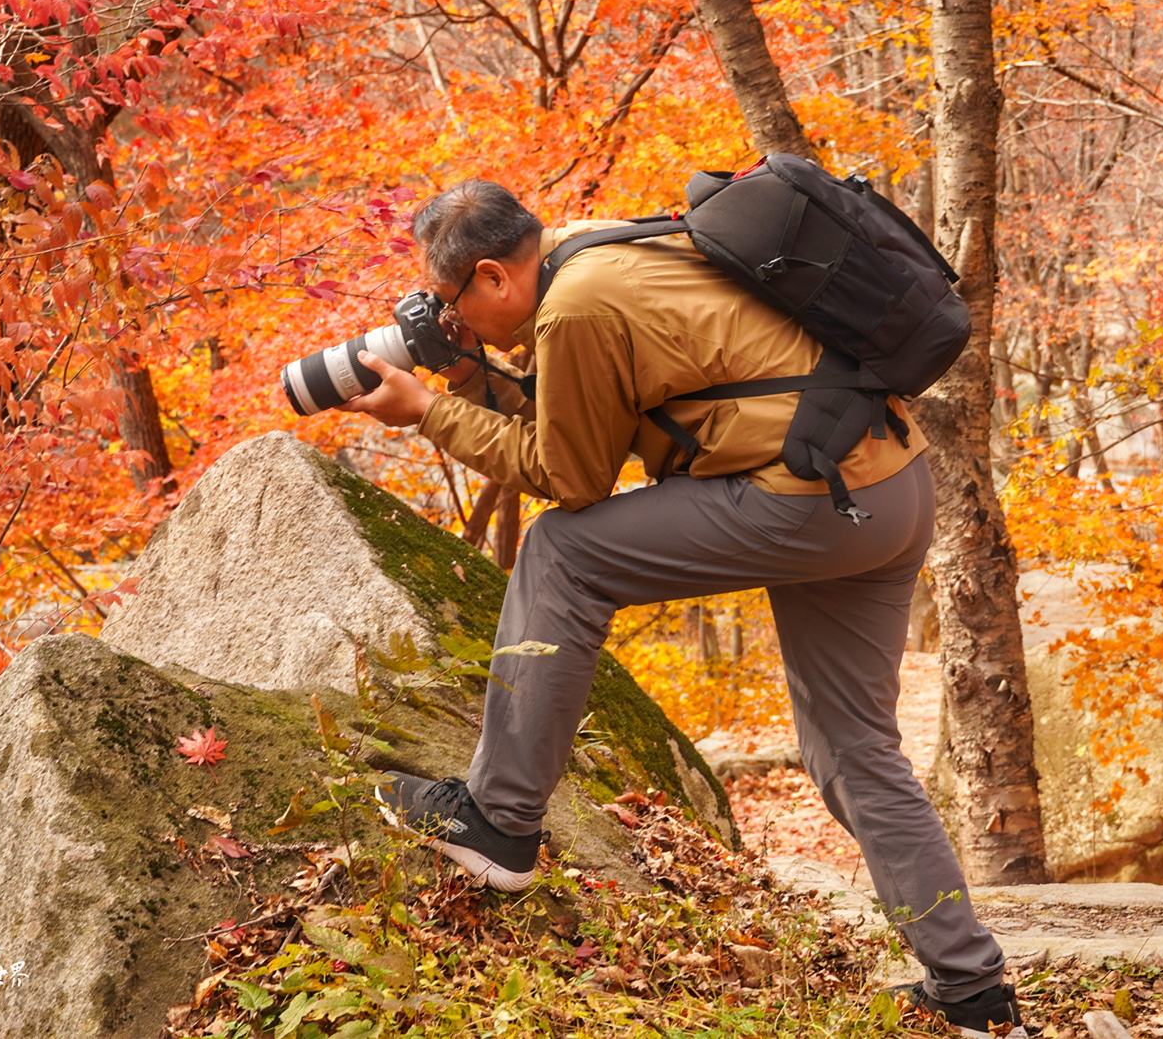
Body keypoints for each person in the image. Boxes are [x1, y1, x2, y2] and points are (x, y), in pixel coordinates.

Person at [340, 179, 1020, 1030]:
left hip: (804, 496)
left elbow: (572, 479)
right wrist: (471, 379)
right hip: (882, 484)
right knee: (854, 749)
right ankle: (975, 993)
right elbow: (585, 427)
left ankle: (499, 823)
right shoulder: (599, 248)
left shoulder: (575, 307)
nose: (451, 321)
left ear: (491, 275)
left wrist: (430, 412)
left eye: (453, 305)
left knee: (562, 551)